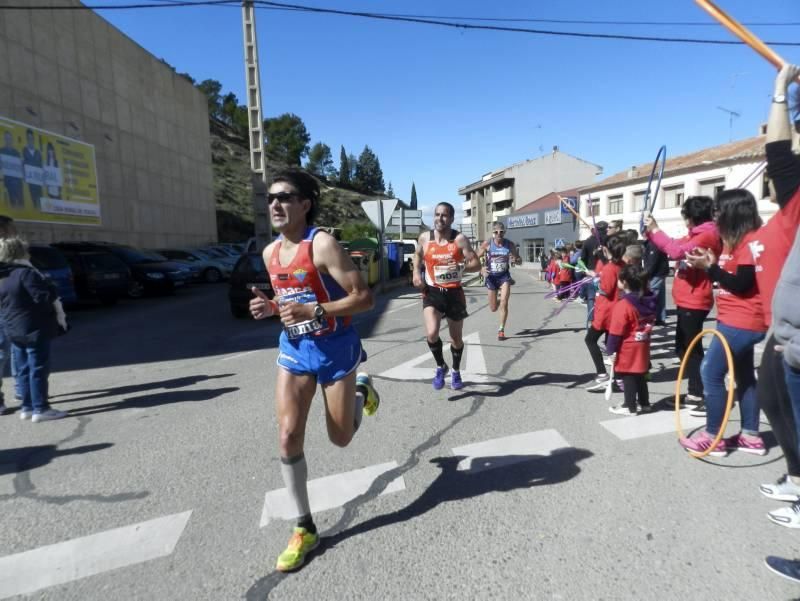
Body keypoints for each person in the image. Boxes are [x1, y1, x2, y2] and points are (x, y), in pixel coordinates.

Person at [248, 168, 380, 572]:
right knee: (288, 436)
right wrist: (271, 308)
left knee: (340, 438)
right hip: (295, 349)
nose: (275, 205)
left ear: (305, 204)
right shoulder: (270, 253)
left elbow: (364, 299)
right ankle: (304, 527)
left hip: (335, 347)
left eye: (284, 197)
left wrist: (317, 309)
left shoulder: (322, 245)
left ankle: (361, 389)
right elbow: (290, 301)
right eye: (270, 198)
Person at [682, 189, 767, 456]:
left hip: (742, 321)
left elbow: (742, 284)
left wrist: (711, 268)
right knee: (744, 377)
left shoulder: (750, 242)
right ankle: (751, 437)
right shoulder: (733, 240)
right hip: (733, 318)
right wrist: (708, 263)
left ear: (733, 212)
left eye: (719, 211)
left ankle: (713, 437)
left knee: (711, 372)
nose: (715, 216)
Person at [643, 196, 721, 412]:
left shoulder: (706, 235)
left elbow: (676, 251)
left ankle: (698, 393)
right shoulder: (697, 233)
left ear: (691, 217)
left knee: (691, 349)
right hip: (688, 298)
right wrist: (652, 233)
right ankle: (696, 390)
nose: (684, 220)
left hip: (695, 299)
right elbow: (675, 245)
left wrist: (657, 230)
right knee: (683, 347)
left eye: (685, 215)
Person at [412, 202, 480, 390]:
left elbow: (476, 264)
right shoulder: (425, 238)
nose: (439, 218)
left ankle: (456, 371)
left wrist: (461, 267)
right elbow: (417, 255)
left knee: (455, 339)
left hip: (454, 293)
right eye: (437, 214)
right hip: (432, 292)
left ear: (451, 219)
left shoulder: (459, 240)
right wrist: (416, 274)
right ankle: (441, 366)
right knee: (432, 333)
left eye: (444, 215)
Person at [0, 237, 65, 422]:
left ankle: (27, 407)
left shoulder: (3, 275)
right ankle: (41, 409)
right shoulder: (26, 273)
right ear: (19, 252)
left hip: (12, 328)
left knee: (23, 369)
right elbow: (43, 297)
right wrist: (51, 287)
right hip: (33, 327)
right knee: (38, 368)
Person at [606, 264, 656, 415]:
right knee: (640, 374)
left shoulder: (624, 305)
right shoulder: (650, 300)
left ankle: (629, 406)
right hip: (643, 344)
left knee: (628, 376)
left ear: (625, 283)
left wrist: (610, 350)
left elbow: (615, 332)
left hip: (628, 347)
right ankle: (644, 403)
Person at [585, 234, 627, 391]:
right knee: (612, 345)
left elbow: (606, 290)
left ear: (608, 250)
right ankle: (618, 377)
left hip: (606, 312)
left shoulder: (610, 268)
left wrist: (596, 280)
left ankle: (602, 374)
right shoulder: (622, 264)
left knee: (590, 340)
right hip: (616, 309)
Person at [477, 221, 521, 341]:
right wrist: (481, 269)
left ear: (504, 232)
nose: (499, 234)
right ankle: (497, 300)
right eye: (496, 232)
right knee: (493, 308)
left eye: (501, 232)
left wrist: (516, 259)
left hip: (504, 277)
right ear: (493, 233)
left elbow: (519, 260)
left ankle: (501, 330)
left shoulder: (509, 244)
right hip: (491, 278)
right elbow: (475, 257)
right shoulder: (487, 244)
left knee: (504, 302)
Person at [579, 220, 608, 327]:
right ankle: (603, 319)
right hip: (604, 272)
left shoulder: (587, 242)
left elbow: (583, 258)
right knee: (604, 296)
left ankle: (592, 320)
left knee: (591, 297)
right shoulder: (607, 240)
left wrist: (584, 270)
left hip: (591, 272)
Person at [643, 238, 670, 326]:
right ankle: (660, 318)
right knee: (660, 297)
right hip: (661, 272)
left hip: (656, 273)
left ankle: (650, 318)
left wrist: (646, 275)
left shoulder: (652, 244)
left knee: (652, 296)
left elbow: (652, 262)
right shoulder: (656, 242)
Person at [0, 132, 23, 208]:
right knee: (11, 203)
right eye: (6, 139)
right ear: (4, 140)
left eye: (9, 139)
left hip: (17, 182)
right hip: (6, 181)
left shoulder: (16, 153)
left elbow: (20, 168)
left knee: (20, 202)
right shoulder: (1, 151)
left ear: (12, 140)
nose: (8, 140)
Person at [22, 129, 43, 211]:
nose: (30, 140)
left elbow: (41, 166)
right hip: (31, 181)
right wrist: (24, 176)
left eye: (31, 138)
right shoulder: (24, 150)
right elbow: (23, 164)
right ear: (27, 139)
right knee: (34, 200)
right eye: (28, 138)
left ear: (33, 139)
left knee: (40, 200)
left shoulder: (38, 152)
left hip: (39, 181)